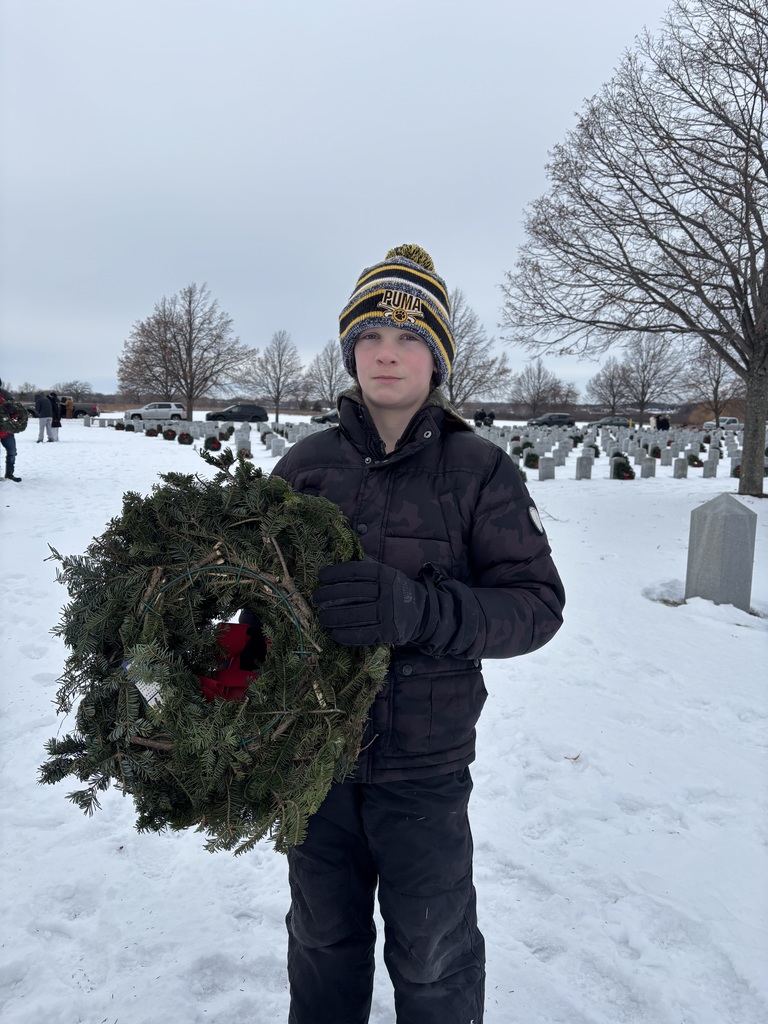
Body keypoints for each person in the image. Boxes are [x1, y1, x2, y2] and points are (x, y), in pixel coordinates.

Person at [266, 244, 565, 1024]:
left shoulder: (481, 472)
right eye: (370, 337)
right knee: (323, 940)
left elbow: (536, 606)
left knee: (433, 956)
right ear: (349, 353)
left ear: (437, 359)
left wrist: (421, 612)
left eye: (409, 340)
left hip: (424, 770)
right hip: (316, 762)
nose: (387, 355)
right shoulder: (304, 467)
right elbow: (260, 599)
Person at [0, 379, 23, 481]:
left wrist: (14, 412)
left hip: (6, 430)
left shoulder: (5, 394)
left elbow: (15, 409)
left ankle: (9, 473)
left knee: (12, 452)